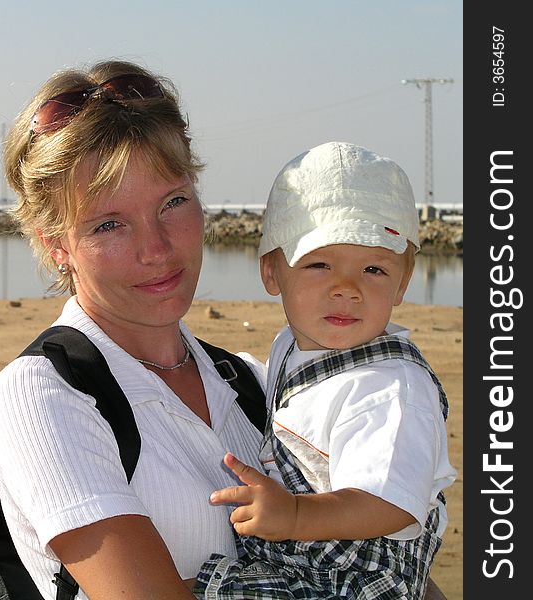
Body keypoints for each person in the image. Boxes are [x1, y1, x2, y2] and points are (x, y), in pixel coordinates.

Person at [0, 59, 267, 599]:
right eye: (108, 224)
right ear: (55, 244)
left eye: (173, 202)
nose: (157, 250)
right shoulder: (45, 394)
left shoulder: (252, 383)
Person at [192, 141, 458, 599]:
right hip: (309, 561)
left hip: (361, 581)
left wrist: (295, 515)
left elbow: (390, 503)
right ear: (272, 272)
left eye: (374, 268)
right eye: (319, 264)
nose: (346, 289)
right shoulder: (291, 347)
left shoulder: (390, 388)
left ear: (404, 279)